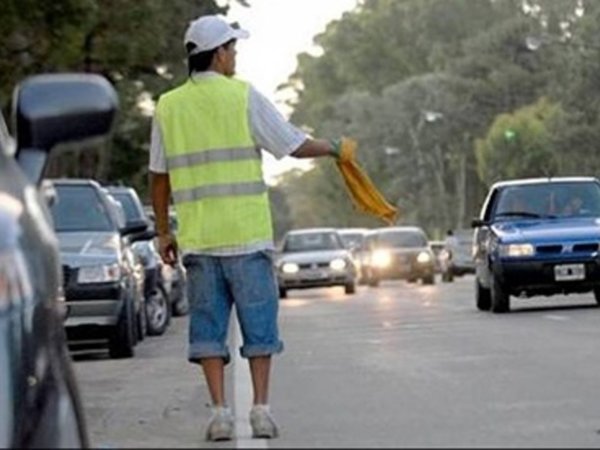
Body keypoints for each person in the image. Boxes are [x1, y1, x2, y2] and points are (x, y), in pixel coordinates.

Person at [149, 14, 348, 442]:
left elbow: (158, 177)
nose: (235, 56)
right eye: (233, 49)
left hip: (200, 242)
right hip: (246, 237)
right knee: (260, 328)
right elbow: (291, 144)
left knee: (207, 331)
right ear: (219, 54)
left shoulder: (167, 106)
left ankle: (220, 414)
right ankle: (260, 410)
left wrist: (163, 232)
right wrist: (335, 148)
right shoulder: (243, 97)